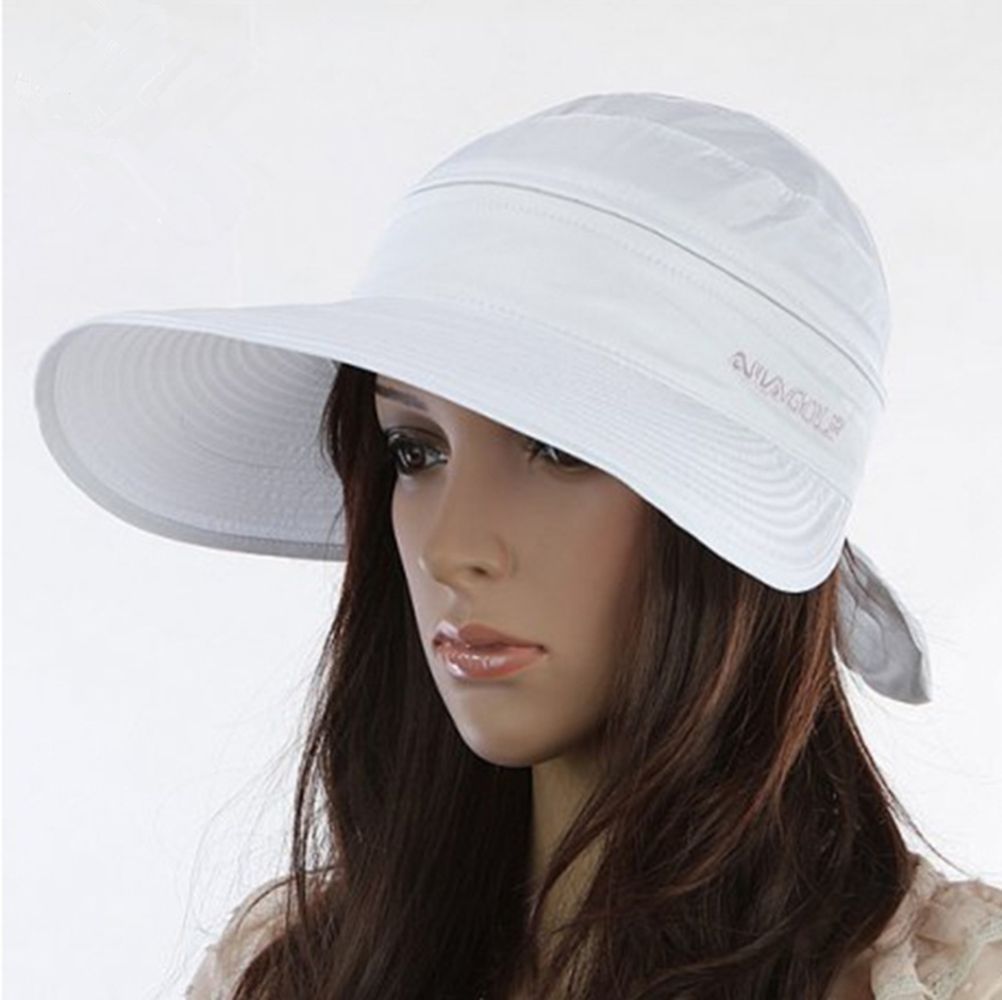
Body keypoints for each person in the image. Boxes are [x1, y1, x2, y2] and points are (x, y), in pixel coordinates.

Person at [34, 92, 1002, 998]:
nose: (450, 548)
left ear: (724, 532)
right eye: (415, 450)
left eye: (558, 448)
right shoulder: (293, 967)